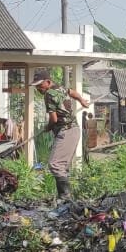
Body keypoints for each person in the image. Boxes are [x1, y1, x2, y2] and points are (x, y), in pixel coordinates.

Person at [33, 70, 92, 200]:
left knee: (55, 164)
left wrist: (47, 128)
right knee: (61, 165)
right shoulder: (60, 88)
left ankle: (65, 197)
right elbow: (72, 92)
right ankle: (64, 198)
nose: (38, 88)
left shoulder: (48, 94)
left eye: (40, 85)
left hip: (67, 130)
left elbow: (53, 119)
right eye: (36, 86)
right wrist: (81, 100)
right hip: (73, 130)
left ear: (48, 82)